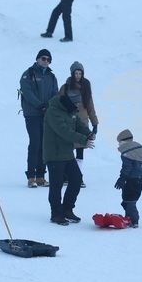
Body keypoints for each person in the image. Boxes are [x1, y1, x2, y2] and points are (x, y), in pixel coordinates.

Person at [43, 94, 95, 224]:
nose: (77, 106)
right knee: (57, 184)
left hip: (67, 153)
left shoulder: (70, 111)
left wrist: (88, 133)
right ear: (68, 102)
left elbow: (79, 124)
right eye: (75, 103)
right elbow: (63, 131)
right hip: (54, 154)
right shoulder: (53, 112)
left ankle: (67, 209)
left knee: (76, 179)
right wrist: (83, 140)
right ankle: (55, 214)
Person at [19, 49, 59, 188]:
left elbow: (55, 93)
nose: (45, 61)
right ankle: (31, 176)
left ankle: (41, 176)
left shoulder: (51, 77)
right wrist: (40, 105)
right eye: (43, 58)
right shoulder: (28, 74)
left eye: (48, 59)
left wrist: (49, 106)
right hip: (32, 114)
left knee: (44, 144)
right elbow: (27, 92)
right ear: (37, 59)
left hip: (46, 114)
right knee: (35, 143)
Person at [58, 61, 98, 186]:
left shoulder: (86, 86)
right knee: (68, 150)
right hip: (68, 122)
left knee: (80, 151)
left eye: (80, 73)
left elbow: (90, 106)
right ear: (72, 73)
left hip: (82, 123)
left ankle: (78, 177)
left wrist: (94, 123)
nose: (78, 76)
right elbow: (59, 104)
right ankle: (66, 176)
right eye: (76, 73)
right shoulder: (65, 87)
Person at [115, 129, 142, 228]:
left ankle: (134, 220)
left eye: (119, 142)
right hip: (140, 178)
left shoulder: (127, 152)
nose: (119, 144)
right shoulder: (138, 150)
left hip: (131, 179)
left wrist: (122, 179)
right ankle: (129, 218)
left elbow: (127, 167)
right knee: (130, 199)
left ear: (124, 141)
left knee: (129, 200)